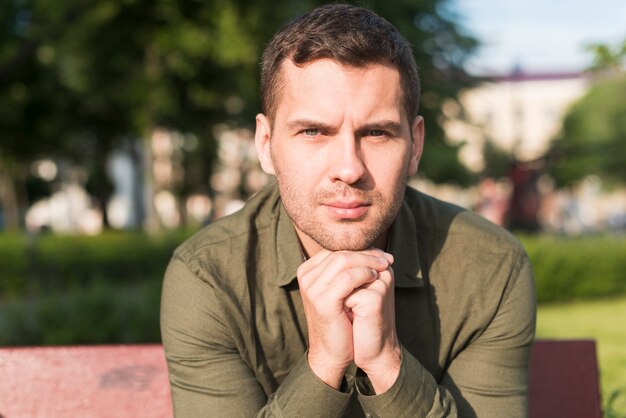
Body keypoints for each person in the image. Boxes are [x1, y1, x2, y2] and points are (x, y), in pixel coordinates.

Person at [160, 4, 536, 417]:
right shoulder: (209, 277)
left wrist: (389, 365)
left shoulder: (490, 268)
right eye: (313, 132)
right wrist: (323, 365)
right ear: (266, 144)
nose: (349, 169)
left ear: (415, 145)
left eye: (376, 133)